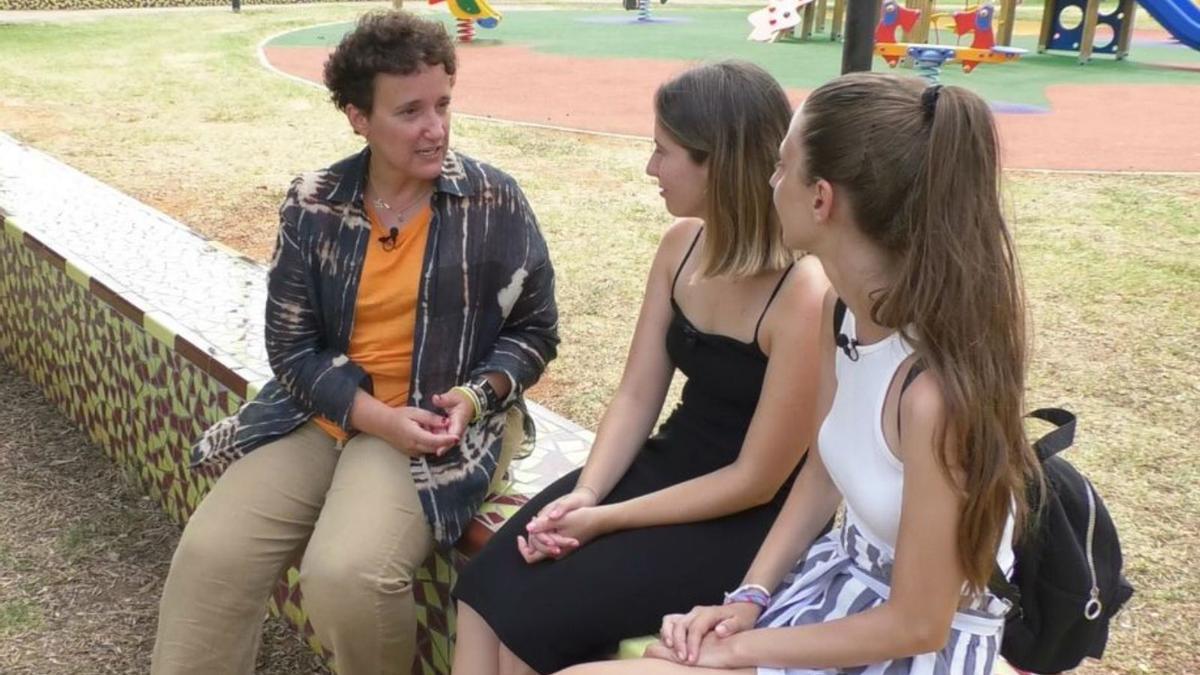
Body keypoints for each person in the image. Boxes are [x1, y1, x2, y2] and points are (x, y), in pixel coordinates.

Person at [560, 72, 1045, 675]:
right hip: (836, 590)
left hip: (907, 650)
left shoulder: (932, 396)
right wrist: (748, 598)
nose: (769, 181)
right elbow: (821, 472)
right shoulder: (842, 314)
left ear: (821, 198)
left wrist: (739, 648)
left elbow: (919, 623)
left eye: (782, 165)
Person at [151, 11, 558, 675]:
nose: (435, 128)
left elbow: (536, 330)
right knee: (212, 555)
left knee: (347, 574)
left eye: (443, 104)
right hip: (329, 413)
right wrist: (374, 417)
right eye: (409, 112)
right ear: (357, 117)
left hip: (434, 424)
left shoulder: (492, 202)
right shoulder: (315, 203)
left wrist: (475, 395)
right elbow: (292, 348)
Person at [451, 60, 830, 675]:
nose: (650, 168)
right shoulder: (681, 246)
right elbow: (635, 395)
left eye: (663, 151)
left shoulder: (802, 293)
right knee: (485, 591)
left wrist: (604, 520)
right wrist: (586, 492)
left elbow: (756, 479)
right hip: (663, 468)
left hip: (744, 516)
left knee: (531, 631)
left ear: (718, 164)